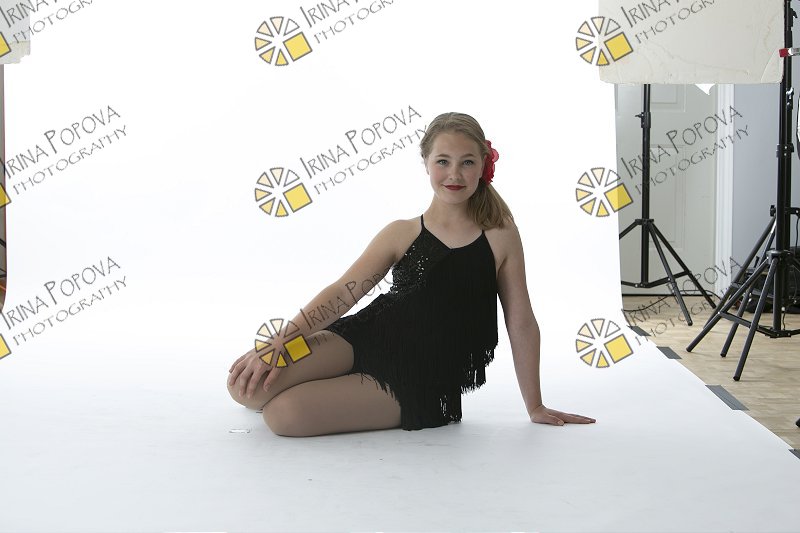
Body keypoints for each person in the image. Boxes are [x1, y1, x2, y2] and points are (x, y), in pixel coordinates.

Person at [227, 112, 596, 436]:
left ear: (484, 164)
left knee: (282, 415)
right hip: (363, 337)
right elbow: (343, 292)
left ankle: (341, 391)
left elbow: (521, 321)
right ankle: (335, 381)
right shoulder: (401, 232)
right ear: (426, 163)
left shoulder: (500, 235)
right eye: (443, 161)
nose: (454, 174)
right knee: (245, 385)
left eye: (467, 162)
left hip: (419, 376)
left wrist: (535, 405)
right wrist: (280, 341)